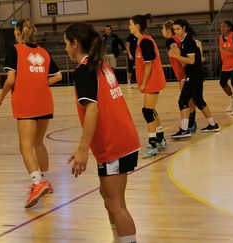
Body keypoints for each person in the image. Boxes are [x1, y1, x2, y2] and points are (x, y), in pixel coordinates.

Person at [64, 22, 140, 243]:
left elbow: (92, 109)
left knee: (116, 204)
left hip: (114, 144)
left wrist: (82, 149)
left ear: (75, 43)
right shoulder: (99, 65)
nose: (66, 49)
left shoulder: (84, 71)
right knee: (108, 198)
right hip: (121, 139)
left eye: (66, 44)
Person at [0, 19, 62, 208]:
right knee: (38, 143)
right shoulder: (43, 52)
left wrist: (1, 96)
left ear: (18, 33)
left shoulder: (15, 50)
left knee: (25, 146)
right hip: (44, 102)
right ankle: (45, 181)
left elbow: (10, 80)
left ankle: (36, 182)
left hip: (26, 103)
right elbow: (58, 76)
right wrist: (42, 84)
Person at [170, 19, 220, 138]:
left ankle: (184, 129)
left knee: (183, 100)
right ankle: (213, 125)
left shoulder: (188, 41)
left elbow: (191, 61)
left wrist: (175, 56)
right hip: (196, 75)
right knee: (198, 100)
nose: (176, 31)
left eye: (178, 29)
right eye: (174, 29)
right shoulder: (184, 40)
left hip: (194, 76)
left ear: (184, 28)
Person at [130, 14, 167, 158]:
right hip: (152, 81)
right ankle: (160, 138)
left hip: (153, 81)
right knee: (149, 111)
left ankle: (153, 145)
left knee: (147, 112)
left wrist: (144, 83)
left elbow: (149, 64)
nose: (129, 26)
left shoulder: (145, 41)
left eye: (131, 24)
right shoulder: (141, 41)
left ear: (137, 26)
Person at [162, 20, 197, 133]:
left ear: (167, 30)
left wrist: (180, 59)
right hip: (188, 72)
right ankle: (192, 123)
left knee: (185, 100)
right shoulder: (179, 38)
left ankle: (188, 125)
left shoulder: (170, 40)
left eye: (163, 29)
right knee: (191, 99)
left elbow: (175, 49)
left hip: (182, 73)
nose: (162, 31)